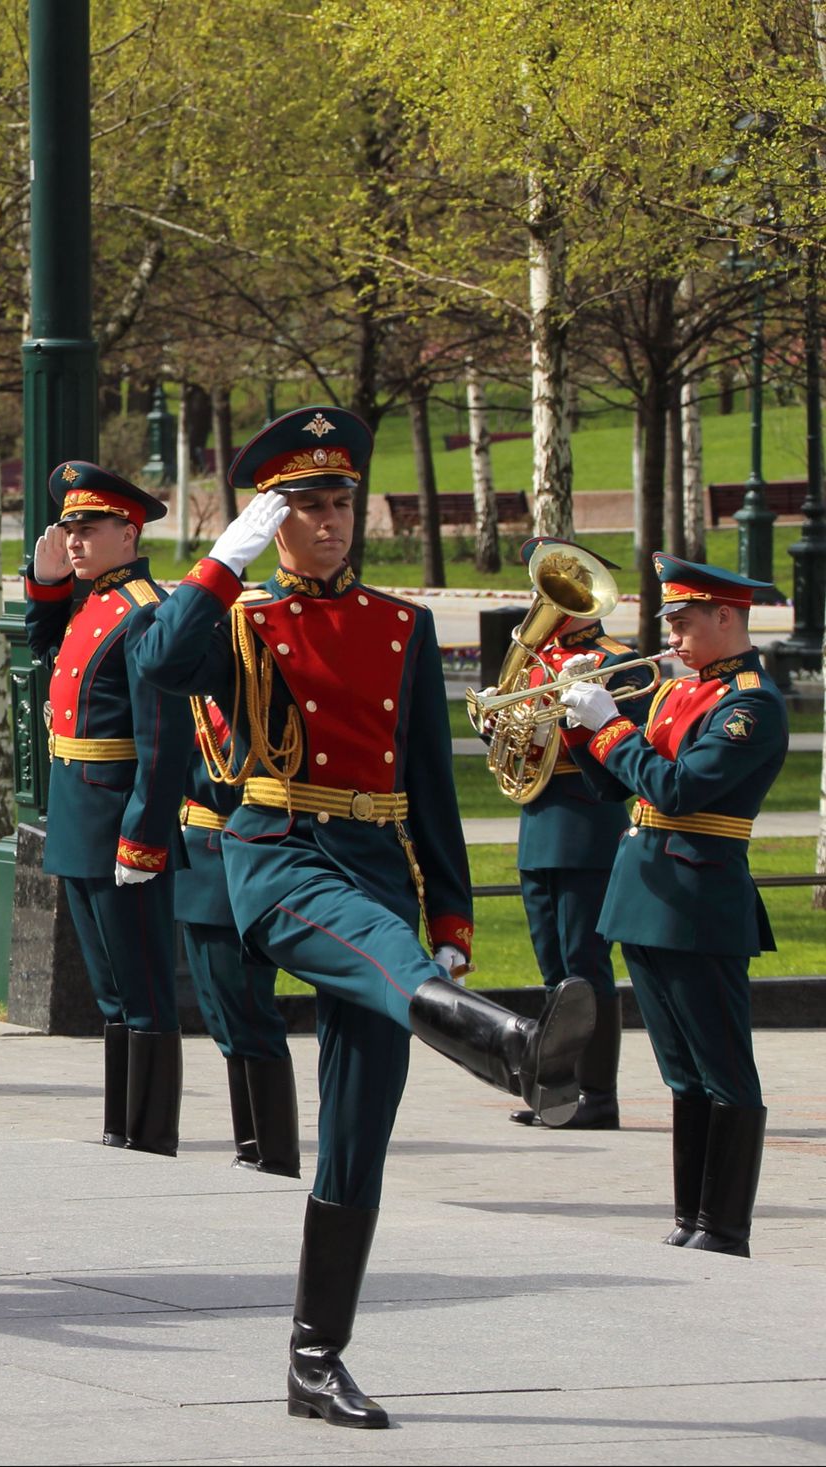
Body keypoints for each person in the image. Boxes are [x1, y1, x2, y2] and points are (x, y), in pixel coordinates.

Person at [136, 405, 595, 1429]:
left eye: (340, 502)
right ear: (272, 518)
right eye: (305, 506)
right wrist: (217, 565)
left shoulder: (402, 626)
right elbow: (162, 667)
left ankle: (315, 1360)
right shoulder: (242, 619)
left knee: (356, 1134)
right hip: (279, 856)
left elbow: (431, 784)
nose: (329, 522)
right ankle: (513, 1047)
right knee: (378, 954)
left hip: (379, 860)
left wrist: (455, 921)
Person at [559, 554, 787, 1258]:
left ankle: (726, 1225)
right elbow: (616, 786)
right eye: (673, 625)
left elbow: (678, 788)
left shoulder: (751, 707)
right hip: (646, 894)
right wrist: (568, 727)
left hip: (698, 900)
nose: (675, 639)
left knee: (723, 1069)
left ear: (727, 617)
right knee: (681, 1073)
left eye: (686, 624)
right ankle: (691, 1215)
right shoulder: (675, 695)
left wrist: (610, 729)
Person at [23, 462, 191, 1154]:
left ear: (130, 531)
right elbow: (43, 645)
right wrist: (44, 583)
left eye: (87, 528)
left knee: (146, 989)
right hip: (78, 819)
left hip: (121, 821)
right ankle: (121, 1128)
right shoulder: (93, 602)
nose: (74, 540)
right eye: (68, 528)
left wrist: (144, 834)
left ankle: (149, 1136)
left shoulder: (146, 610)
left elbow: (162, 740)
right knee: (113, 992)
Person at [492, 536, 652, 1130]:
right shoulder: (534, 659)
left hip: (587, 816)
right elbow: (505, 741)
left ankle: (598, 1096)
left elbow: (625, 746)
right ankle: (554, 1091)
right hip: (538, 821)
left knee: (585, 961)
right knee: (551, 962)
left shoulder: (615, 657)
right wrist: (497, 721)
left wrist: (566, 721)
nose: (549, 601)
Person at [176, 704, 298, 1176]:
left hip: (235, 863)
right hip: (201, 859)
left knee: (247, 1014)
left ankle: (274, 1153)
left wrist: (166, 755)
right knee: (223, 1019)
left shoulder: (257, 699)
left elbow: (229, 784)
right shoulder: (204, 698)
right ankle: (251, 1146)